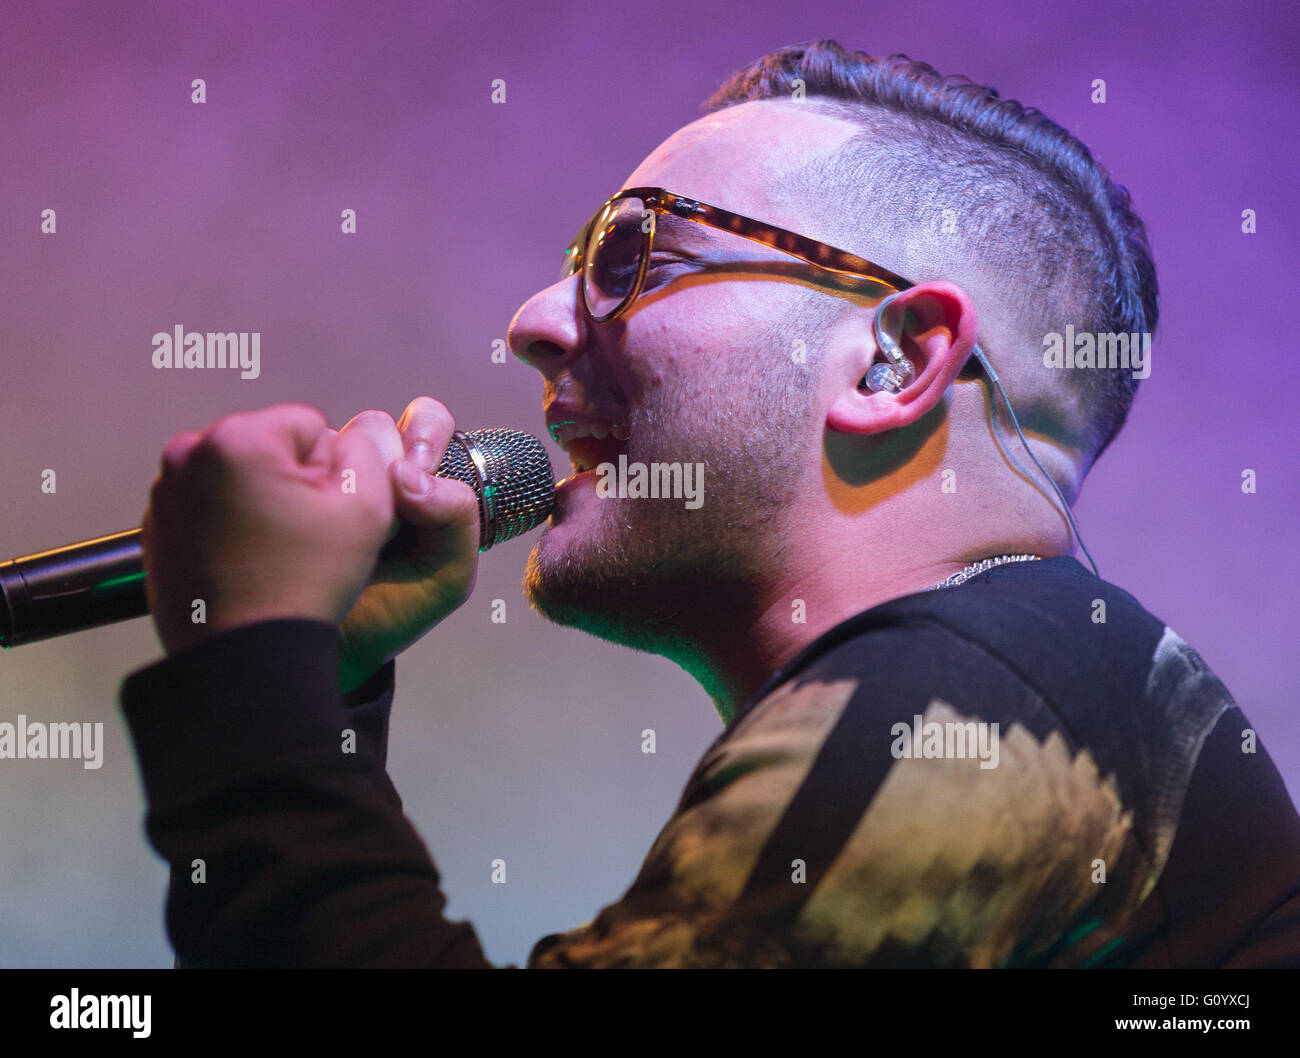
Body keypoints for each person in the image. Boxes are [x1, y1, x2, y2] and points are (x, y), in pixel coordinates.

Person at [121, 41, 1300, 968]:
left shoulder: (976, 698)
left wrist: (251, 660)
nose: (534, 318)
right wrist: (310, 685)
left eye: (636, 252)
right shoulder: (1041, 675)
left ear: (898, 360)